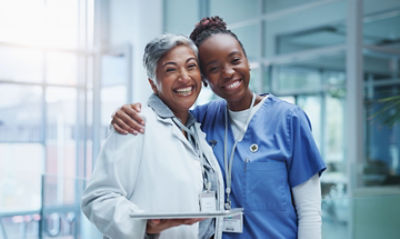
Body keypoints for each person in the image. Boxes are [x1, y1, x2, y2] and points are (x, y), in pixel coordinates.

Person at [111, 16, 326, 239]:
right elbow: (164, 116)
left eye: (235, 60)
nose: (228, 72)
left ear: (247, 60)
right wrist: (126, 113)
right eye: (214, 68)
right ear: (204, 79)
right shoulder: (201, 120)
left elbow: (310, 212)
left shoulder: (289, 119)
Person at [81, 34, 226, 239]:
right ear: (153, 83)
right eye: (170, 69)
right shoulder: (137, 122)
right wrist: (145, 224)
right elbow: (98, 198)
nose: (184, 77)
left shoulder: (196, 130)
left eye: (191, 66)